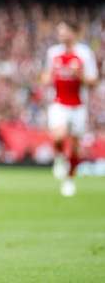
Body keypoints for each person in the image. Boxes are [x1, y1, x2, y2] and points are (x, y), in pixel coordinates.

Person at [41, 20, 98, 197]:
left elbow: (93, 81)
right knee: (58, 136)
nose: (61, 34)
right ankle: (59, 158)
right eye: (59, 31)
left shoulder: (85, 53)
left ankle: (69, 181)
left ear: (74, 33)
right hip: (58, 102)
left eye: (64, 31)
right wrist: (46, 79)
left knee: (74, 147)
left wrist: (79, 75)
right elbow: (46, 75)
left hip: (79, 105)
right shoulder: (53, 53)